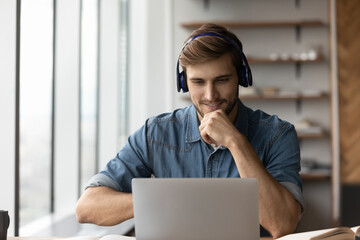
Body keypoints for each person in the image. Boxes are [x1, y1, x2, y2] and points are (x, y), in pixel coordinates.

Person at [76, 23, 304, 238]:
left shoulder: (278, 135)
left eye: (222, 80)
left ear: (241, 77)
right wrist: (164, 199)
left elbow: (281, 223)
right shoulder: (154, 134)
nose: (210, 95)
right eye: (198, 82)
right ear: (184, 82)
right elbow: (87, 208)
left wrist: (236, 142)